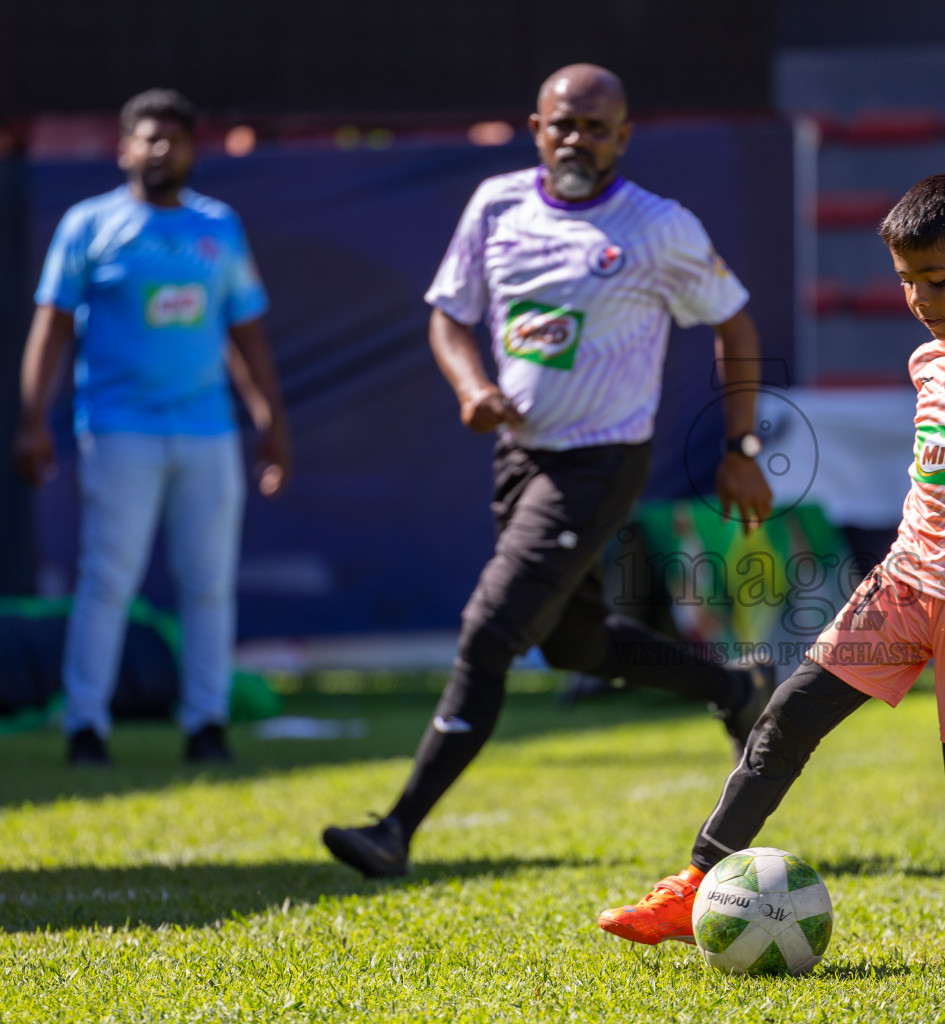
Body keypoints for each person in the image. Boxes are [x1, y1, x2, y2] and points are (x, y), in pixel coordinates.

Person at [598, 174, 945, 964]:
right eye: (905, 281)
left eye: (937, 280)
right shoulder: (929, 358)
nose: (919, 297)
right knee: (786, 718)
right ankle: (692, 883)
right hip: (903, 584)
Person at [321, 64, 777, 879]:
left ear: (623, 138)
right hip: (519, 458)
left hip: (600, 462)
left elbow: (735, 326)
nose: (577, 139)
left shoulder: (657, 227)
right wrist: (472, 387)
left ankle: (396, 828)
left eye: (596, 127)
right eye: (563, 124)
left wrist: (739, 449)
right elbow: (449, 317)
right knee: (574, 643)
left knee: (489, 631)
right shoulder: (496, 204)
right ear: (535, 127)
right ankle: (734, 689)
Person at [12, 88, 292, 766]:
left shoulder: (219, 227)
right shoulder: (89, 225)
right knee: (107, 579)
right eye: (148, 138)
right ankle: (86, 724)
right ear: (124, 147)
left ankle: (206, 723)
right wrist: (31, 421)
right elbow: (50, 327)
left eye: (174, 138)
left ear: (194, 149)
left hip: (208, 431)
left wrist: (270, 420)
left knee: (208, 581)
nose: (161, 149)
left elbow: (245, 332)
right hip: (118, 429)